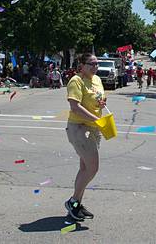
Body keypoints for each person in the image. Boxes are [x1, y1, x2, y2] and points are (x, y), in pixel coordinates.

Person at [64, 52, 106, 222]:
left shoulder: (97, 80)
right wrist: (96, 118)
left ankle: (76, 206)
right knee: (93, 168)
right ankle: (73, 201)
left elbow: (98, 98)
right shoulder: (76, 80)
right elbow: (75, 106)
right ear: (81, 65)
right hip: (80, 128)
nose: (95, 67)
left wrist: (102, 102)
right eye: (91, 64)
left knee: (84, 168)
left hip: (94, 128)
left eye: (97, 64)